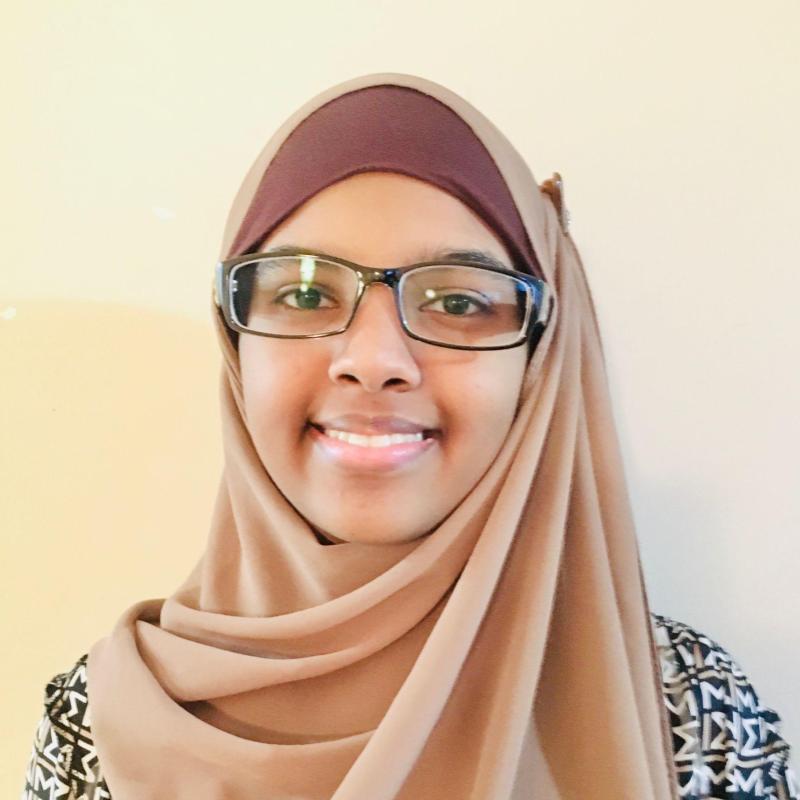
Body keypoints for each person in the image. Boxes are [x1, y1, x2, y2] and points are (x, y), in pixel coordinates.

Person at [21, 72, 797, 800]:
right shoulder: (98, 726)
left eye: (459, 303)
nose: (373, 361)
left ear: (541, 359)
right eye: (304, 293)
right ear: (235, 343)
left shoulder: (685, 713)